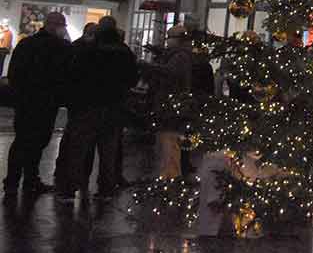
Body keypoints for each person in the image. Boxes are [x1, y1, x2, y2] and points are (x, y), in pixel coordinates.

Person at [55, 17, 138, 201]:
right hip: (114, 107)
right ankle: (106, 189)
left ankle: (70, 188)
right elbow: (132, 79)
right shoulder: (124, 53)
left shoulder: (87, 51)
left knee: (78, 150)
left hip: (87, 106)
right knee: (108, 151)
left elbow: (73, 76)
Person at [3, 11, 70, 198]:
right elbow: (67, 76)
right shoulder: (62, 47)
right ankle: (31, 179)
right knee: (39, 142)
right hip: (47, 102)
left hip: (26, 101)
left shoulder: (26, 44)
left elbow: (14, 72)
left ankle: (12, 181)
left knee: (22, 140)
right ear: (57, 26)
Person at [145, 25, 194, 179]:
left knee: (169, 143)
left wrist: (150, 67)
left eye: (170, 37)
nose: (167, 41)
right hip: (170, 105)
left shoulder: (180, 56)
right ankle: (168, 175)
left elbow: (170, 74)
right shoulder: (177, 55)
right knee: (167, 143)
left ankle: (170, 177)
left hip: (171, 106)